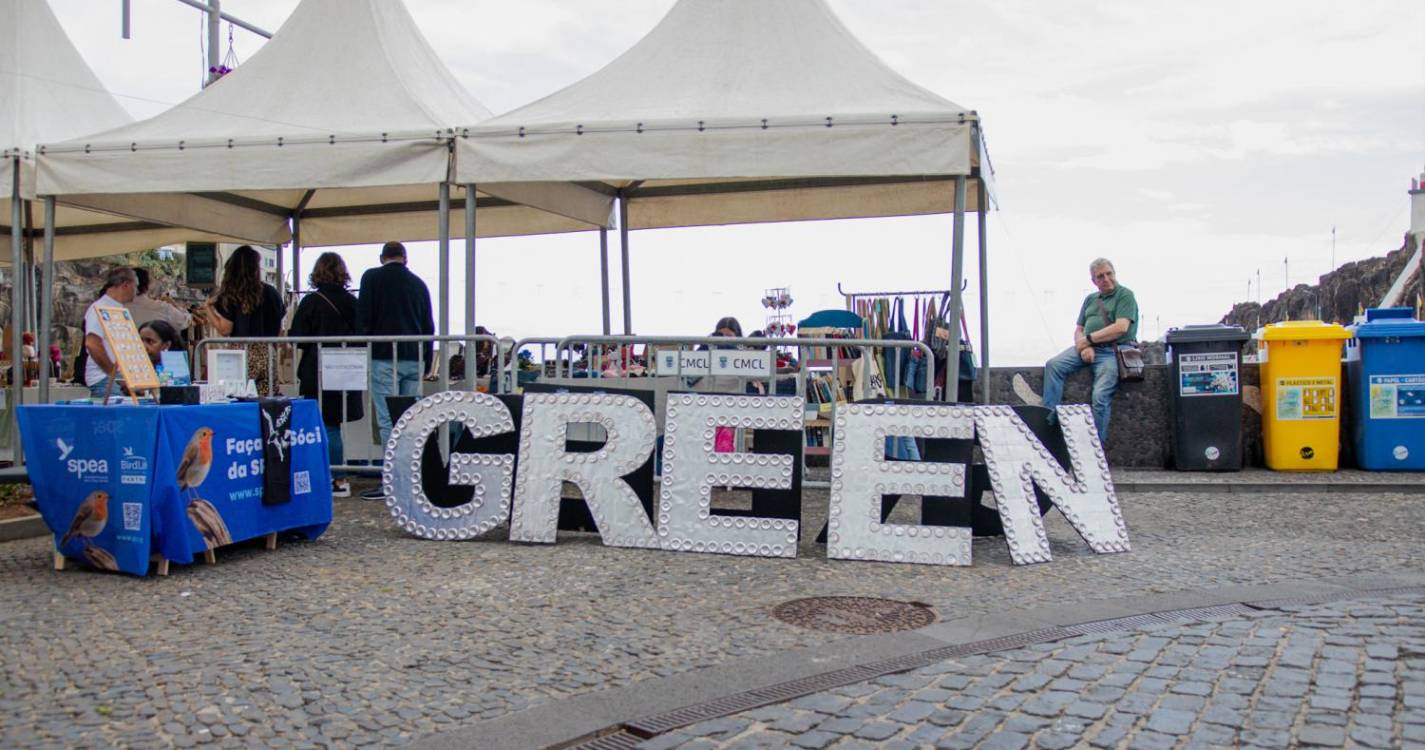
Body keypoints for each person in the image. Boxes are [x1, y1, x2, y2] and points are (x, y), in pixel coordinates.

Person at [355, 241, 433, 500]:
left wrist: (362, 348)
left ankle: (393, 479)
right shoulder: (419, 284)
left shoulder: (372, 278)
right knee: (410, 418)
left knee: (388, 419)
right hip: (414, 357)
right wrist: (425, 360)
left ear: (382, 258)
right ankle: (412, 476)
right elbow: (428, 325)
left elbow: (363, 317)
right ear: (405, 258)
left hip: (384, 356)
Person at [289, 252, 363, 499]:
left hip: (316, 369)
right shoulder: (353, 301)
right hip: (347, 368)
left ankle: (332, 477)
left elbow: (298, 338)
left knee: (323, 425)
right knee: (334, 425)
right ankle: (338, 477)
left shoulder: (311, 302)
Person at [1042, 258, 1139, 444]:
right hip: (1089, 347)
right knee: (1053, 365)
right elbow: (1079, 328)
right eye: (1100, 276)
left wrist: (1088, 340)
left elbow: (1121, 328)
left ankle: (1096, 449)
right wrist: (1084, 345)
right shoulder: (1091, 299)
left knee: (1100, 396)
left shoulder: (1125, 295)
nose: (1106, 279)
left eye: (1108, 274)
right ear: (1094, 281)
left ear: (1114, 273)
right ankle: (1048, 418)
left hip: (1113, 351)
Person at [203, 246, 285, 395]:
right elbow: (279, 328)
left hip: (240, 354)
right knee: (266, 400)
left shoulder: (231, 294)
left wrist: (207, 308)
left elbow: (225, 329)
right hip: (267, 352)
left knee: (238, 397)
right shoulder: (272, 292)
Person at [83, 267, 139, 398]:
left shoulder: (118, 309)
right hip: (104, 377)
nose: (136, 291)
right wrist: (112, 373)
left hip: (117, 377)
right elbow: (92, 344)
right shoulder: (100, 308)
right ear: (126, 285)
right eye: (135, 286)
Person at [126, 267, 192, 337]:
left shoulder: (117, 307)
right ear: (148, 285)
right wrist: (174, 304)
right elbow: (184, 321)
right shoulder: (163, 308)